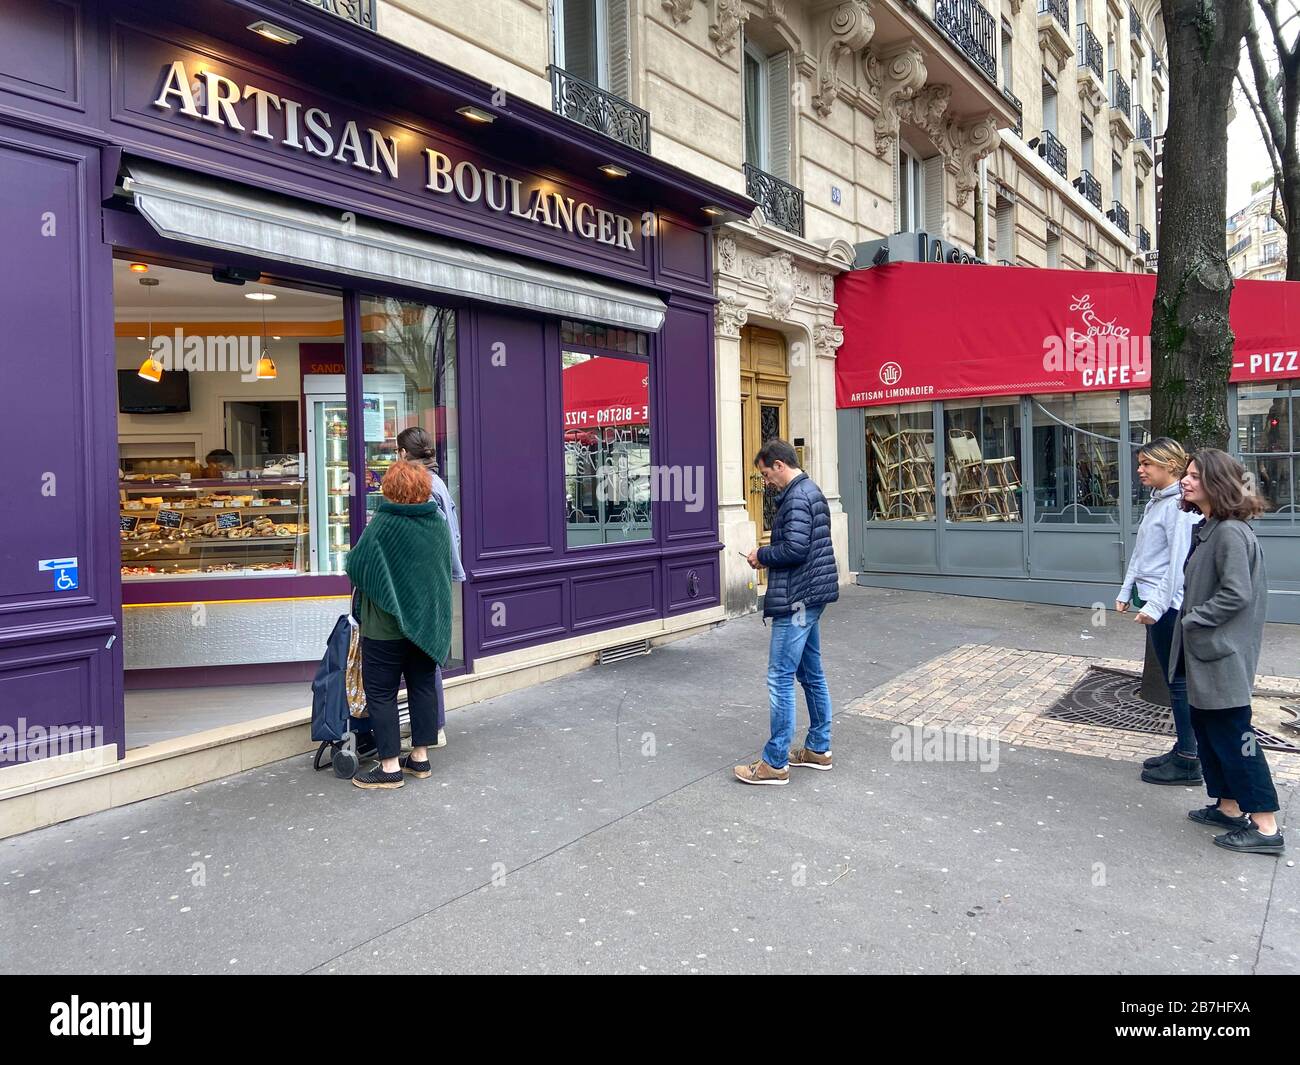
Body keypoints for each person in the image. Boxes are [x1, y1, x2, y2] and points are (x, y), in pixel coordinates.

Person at [1173, 449, 1283, 855]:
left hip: (1220, 653)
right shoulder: (1212, 527)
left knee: (1236, 736)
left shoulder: (1230, 533)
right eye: (1186, 474)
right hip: (1207, 653)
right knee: (1208, 730)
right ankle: (1229, 806)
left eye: (1195, 476)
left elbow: (1237, 593)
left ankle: (1266, 826)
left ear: (1217, 483)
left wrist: (1192, 620)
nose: (1186, 481)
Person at [734, 439, 839, 786]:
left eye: (765, 473)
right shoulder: (811, 490)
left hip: (797, 599)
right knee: (811, 673)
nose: (765, 481)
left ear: (779, 465)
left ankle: (775, 762)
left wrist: (761, 556)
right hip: (811, 595)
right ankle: (818, 749)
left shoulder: (795, 497)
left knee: (780, 676)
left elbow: (794, 548)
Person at [344, 460, 453, 790]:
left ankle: (389, 766)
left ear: (389, 489)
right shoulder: (436, 522)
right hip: (424, 624)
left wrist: (383, 586)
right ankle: (420, 758)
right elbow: (440, 572)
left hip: (385, 627)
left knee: (381, 692)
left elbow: (357, 565)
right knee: (422, 686)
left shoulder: (384, 522)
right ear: (424, 487)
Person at [1115, 437, 1200, 785]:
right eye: (1141, 463)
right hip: (1156, 601)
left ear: (1169, 466)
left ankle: (1189, 759)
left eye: (1147, 464)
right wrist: (1125, 590)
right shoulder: (1158, 501)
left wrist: (1156, 605)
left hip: (1170, 606)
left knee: (1178, 683)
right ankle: (1184, 749)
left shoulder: (1177, 507)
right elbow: (1142, 553)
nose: (1140, 470)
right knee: (1174, 680)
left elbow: (1178, 563)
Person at [395, 426, 465, 750]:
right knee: (423, 654)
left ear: (403, 454)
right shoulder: (435, 482)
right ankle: (427, 722)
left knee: (424, 655)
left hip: (426, 580)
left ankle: (433, 727)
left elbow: (438, 537)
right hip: (434, 578)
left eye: (398, 452)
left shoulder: (425, 486)